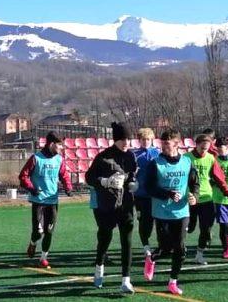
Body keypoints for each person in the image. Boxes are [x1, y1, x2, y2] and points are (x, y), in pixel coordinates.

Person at [143, 129, 200, 295]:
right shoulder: (155, 163)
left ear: (177, 144)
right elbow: (149, 187)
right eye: (162, 143)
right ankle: (152, 258)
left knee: (180, 249)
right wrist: (167, 193)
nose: (163, 146)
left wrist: (194, 196)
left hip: (182, 212)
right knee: (166, 249)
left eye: (167, 144)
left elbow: (195, 183)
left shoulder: (187, 162)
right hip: (162, 212)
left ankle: (173, 281)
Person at [85, 122, 138, 294]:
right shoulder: (103, 157)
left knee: (127, 241)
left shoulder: (131, 156)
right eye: (123, 139)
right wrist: (104, 181)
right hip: (107, 205)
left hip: (126, 205)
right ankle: (99, 268)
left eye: (128, 139)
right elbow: (89, 177)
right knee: (104, 239)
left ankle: (126, 280)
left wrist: (131, 183)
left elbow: (132, 176)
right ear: (115, 139)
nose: (126, 142)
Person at [18, 131, 73, 268]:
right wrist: (32, 188)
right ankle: (33, 242)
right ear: (52, 144)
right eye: (60, 145)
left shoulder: (59, 159)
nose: (62, 148)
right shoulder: (36, 158)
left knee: (49, 232)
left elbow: (64, 175)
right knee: (38, 232)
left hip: (52, 202)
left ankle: (43, 258)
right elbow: (23, 176)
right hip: (38, 201)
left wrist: (68, 187)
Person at [186, 133, 228, 265]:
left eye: (207, 148)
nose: (204, 151)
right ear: (196, 145)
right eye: (202, 148)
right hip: (189, 199)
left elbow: (219, 177)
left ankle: (199, 254)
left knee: (206, 229)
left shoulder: (211, 158)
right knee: (188, 227)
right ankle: (179, 247)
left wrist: (227, 192)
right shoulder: (186, 158)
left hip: (207, 198)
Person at [132, 127, 161, 258]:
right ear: (139, 140)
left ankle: (162, 246)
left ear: (152, 140)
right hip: (140, 195)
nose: (146, 141)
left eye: (148, 139)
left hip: (156, 195)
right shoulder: (134, 155)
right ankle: (146, 246)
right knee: (145, 222)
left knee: (160, 221)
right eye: (143, 139)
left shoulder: (158, 153)